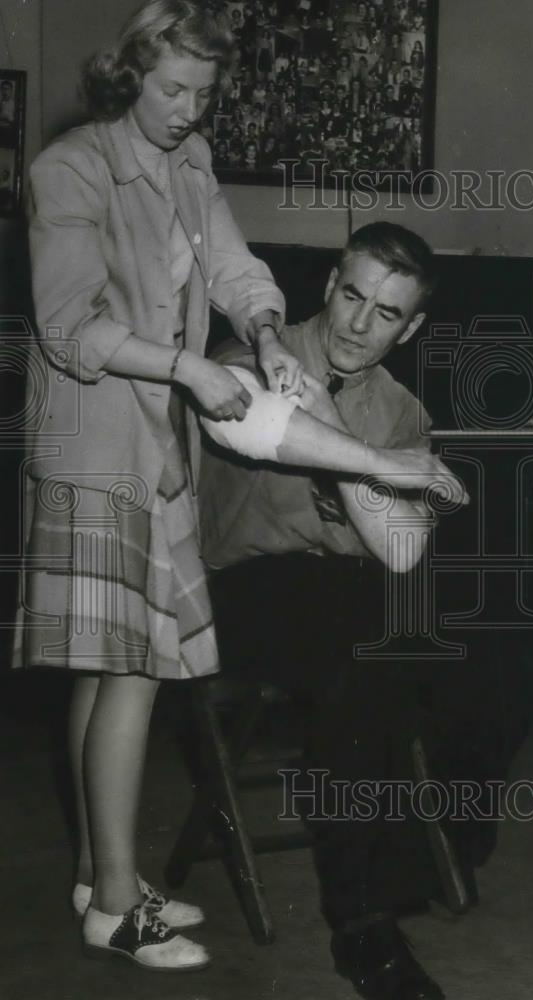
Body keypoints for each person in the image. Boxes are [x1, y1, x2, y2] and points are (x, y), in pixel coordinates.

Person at [13, 0, 306, 974]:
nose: (186, 109)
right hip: (97, 452)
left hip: (157, 449)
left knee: (113, 668)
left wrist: (263, 328)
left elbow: (226, 264)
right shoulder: (68, 169)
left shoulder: (188, 161)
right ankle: (113, 904)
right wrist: (187, 371)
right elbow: (69, 328)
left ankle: (107, 879)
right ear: (127, 73)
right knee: (131, 666)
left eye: (203, 93)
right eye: (171, 88)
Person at [198, 223, 468, 1000]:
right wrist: (365, 458)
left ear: (409, 327)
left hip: (346, 607)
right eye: (352, 295)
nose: (358, 323)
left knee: (437, 645)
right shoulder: (249, 358)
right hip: (238, 596)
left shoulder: (402, 410)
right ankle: (365, 917)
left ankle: (383, 898)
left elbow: (404, 552)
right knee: (367, 634)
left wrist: (345, 429)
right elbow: (265, 434)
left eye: (386, 313)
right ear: (327, 287)